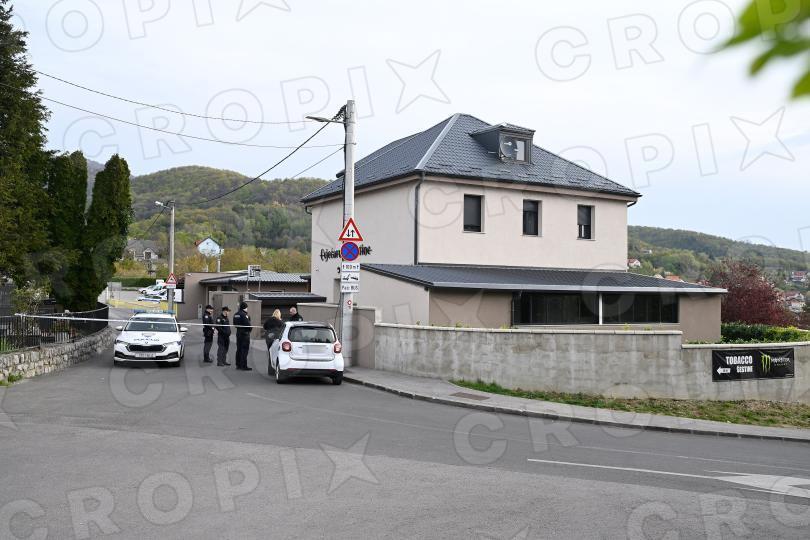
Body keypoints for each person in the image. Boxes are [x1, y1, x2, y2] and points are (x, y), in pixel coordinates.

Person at [233, 301, 253, 371]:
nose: (247, 309)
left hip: (238, 333)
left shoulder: (236, 314)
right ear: (244, 308)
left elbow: (234, 324)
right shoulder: (244, 315)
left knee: (239, 349)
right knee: (244, 350)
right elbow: (248, 324)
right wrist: (250, 330)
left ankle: (238, 365)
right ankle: (243, 366)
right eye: (246, 307)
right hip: (245, 334)